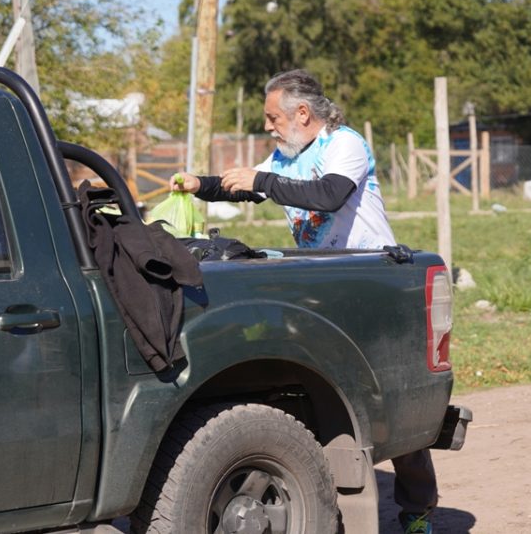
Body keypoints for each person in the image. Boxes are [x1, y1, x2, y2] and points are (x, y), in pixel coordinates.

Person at [170, 69, 438, 534]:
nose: (269, 127)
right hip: (321, 282)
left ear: (302, 113)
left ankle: (418, 512)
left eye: (274, 117)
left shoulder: (344, 145)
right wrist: (202, 184)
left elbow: (329, 195)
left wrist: (264, 180)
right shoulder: (286, 154)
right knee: (323, 395)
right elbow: (250, 185)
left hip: (369, 277)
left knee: (391, 403)